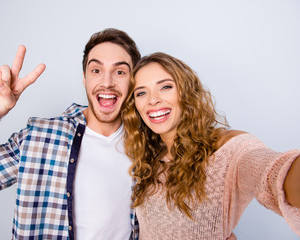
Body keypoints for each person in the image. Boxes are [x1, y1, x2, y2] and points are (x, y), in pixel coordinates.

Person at [0, 28, 141, 240]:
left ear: (134, 81)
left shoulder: (149, 144)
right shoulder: (40, 137)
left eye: (120, 71)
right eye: (96, 70)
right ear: (84, 78)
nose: (106, 82)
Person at [122, 52, 300, 239]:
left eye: (165, 87)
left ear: (186, 92)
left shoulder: (229, 150)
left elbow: (273, 170)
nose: (153, 99)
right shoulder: (146, 155)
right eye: (141, 92)